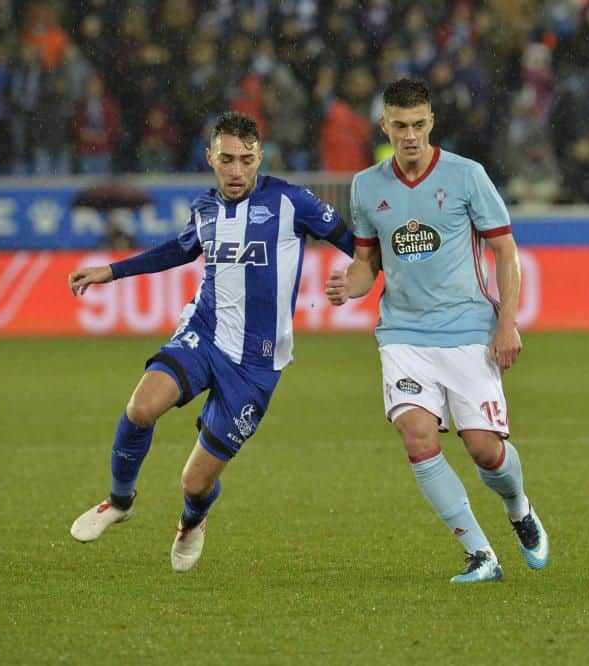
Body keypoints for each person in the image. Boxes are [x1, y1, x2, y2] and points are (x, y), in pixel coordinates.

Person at [68, 111, 354, 572]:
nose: (236, 170)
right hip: (204, 334)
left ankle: (192, 521)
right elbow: (177, 250)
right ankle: (119, 501)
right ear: (210, 158)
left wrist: (359, 279)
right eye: (226, 159)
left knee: (195, 482)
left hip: (257, 365)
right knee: (141, 407)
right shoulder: (205, 208)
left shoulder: (293, 201)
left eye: (245, 159)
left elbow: (355, 242)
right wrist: (111, 271)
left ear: (260, 156)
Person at [324, 78, 549, 584]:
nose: (409, 135)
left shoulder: (466, 176)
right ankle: (480, 555)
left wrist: (507, 323)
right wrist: (349, 286)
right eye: (399, 125)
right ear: (384, 125)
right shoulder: (365, 186)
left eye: (418, 124)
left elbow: (506, 252)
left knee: (484, 449)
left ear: (431, 122)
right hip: (402, 334)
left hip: (469, 329)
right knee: (417, 435)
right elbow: (366, 263)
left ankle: (518, 507)